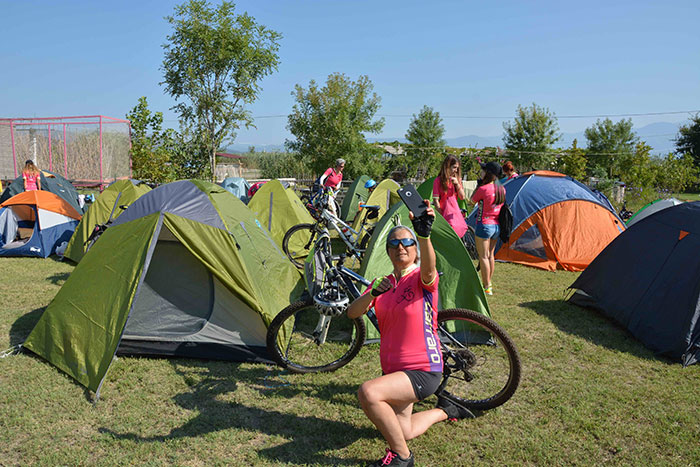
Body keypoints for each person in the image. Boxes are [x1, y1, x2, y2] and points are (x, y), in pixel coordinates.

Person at [347, 204, 472, 467]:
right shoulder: (382, 283)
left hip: (422, 370)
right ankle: (446, 410)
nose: (400, 247)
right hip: (396, 374)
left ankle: (403, 458)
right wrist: (372, 294)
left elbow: (429, 268)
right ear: (388, 251)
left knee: (369, 393)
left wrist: (424, 235)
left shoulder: (421, 279)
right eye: (394, 243)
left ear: (414, 249)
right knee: (402, 431)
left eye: (407, 242)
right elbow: (352, 313)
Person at [470, 161, 506, 295]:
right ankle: (489, 282)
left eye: (483, 170)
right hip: (496, 226)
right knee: (490, 256)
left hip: (484, 225)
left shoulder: (483, 189)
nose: (482, 172)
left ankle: (487, 286)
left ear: (489, 173)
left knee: (483, 257)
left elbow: (471, 201)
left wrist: (479, 185)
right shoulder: (502, 189)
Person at [432, 155, 467, 239]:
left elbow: (462, 197)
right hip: (444, 211)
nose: (456, 170)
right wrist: (440, 214)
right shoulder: (438, 181)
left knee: (460, 229)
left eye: (457, 168)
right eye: (454, 167)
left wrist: (457, 184)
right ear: (447, 166)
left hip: (454, 211)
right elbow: (436, 200)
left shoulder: (457, 179)